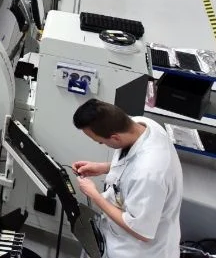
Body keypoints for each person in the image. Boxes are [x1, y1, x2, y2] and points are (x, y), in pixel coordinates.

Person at [71, 99, 182, 258]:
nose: (101, 144)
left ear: (115, 138)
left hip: (139, 251)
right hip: (116, 237)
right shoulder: (140, 125)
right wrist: (104, 167)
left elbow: (141, 231)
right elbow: (133, 162)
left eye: (101, 142)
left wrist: (94, 195)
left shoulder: (150, 173)